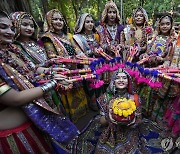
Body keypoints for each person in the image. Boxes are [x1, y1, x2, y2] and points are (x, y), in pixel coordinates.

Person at [0, 10, 78, 153]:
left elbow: (32, 69)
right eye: (3, 27)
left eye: (11, 27)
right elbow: (15, 99)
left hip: (36, 121)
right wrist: (53, 83)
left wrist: (53, 71)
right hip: (14, 137)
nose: (10, 32)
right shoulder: (16, 47)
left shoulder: (10, 50)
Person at [42, 9, 89, 122]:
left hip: (75, 68)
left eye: (61, 19)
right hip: (62, 71)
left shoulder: (68, 36)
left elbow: (77, 50)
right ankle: (72, 119)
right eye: (55, 19)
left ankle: (83, 116)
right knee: (67, 92)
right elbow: (52, 57)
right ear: (49, 21)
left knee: (79, 90)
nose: (59, 22)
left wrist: (86, 61)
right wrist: (71, 61)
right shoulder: (48, 38)